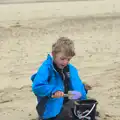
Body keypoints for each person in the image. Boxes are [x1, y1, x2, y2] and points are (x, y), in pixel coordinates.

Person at [30, 37, 91, 120]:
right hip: (50, 108)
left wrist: (84, 101)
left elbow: (77, 87)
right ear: (54, 54)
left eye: (68, 59)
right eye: (62, 59)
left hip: (66, 100)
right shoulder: (46, 68)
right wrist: (54, 90)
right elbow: (37, 87)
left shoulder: (71, 69)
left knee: (87, 108)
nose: (65, 62)